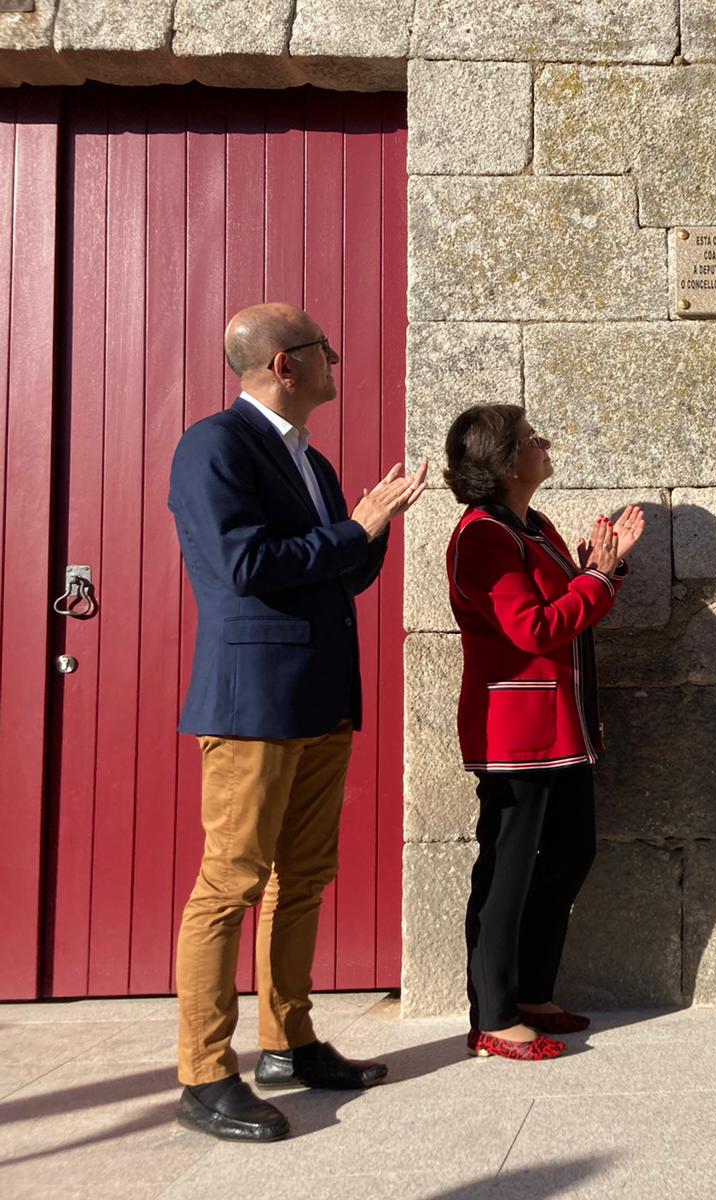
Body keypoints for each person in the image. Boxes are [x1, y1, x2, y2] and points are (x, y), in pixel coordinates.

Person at [167, 303, 426, 1142]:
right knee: (230, 882)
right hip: (253, 703)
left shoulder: (309, 461)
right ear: (286, 364)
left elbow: (337, 575)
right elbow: (244, 566)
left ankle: (288, 1042)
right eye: (325, 350)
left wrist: (371, 527)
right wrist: (355, 527)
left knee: (303, 876)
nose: (336, 360)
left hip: (320, 698)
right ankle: (205, 1074)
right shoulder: (214, 446)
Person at [443, 404, 645, 1062]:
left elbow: (569, 608)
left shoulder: (534, 526)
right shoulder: (481, 538)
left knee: (568, 854)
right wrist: (596, 577)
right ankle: (493, 1016)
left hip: (563, 728)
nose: (544, 442)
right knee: (507, 870)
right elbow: (533, 629)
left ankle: (531, 992)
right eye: (531, 438)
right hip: (516, 731)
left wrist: (602, 569)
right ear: (505, 463)